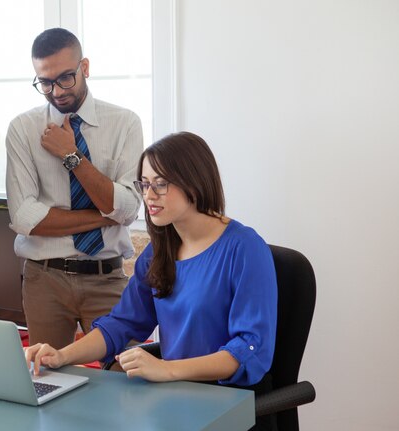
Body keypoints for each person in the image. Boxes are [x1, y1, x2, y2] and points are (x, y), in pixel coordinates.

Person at [26, 131, 278, 390]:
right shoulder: (159, 251)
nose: (149, 195)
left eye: (160, 184)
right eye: (144, 184)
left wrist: (167, 369)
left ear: (194, 183)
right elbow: (123, 323)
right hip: (174, 391)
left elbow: (250, 347)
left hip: (224, 396)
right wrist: (62, 355)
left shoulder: (245, 248)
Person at [6, 28, 143, 349]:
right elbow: (27, 219)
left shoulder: (125, 123)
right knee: (48, 380)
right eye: (45, 82)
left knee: (127, 379)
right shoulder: (23, 129)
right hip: (44, 279)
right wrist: (105, 216)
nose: (56, 91)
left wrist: (72, 155)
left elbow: (129, 208)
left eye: (66, 78)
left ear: (85, 67)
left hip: (107, 278)